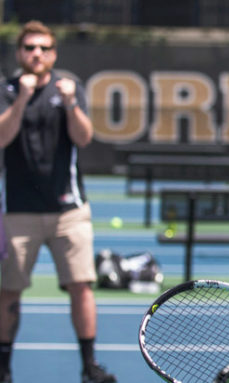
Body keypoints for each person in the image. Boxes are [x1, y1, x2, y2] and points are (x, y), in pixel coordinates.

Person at [0, 21, 116, 383]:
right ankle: (2, 368)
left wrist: (70, 105)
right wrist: (21, 98)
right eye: (30, 48)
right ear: (20, 53)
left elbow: (83, 138)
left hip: (69, 209)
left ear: (53, 53)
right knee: (7, 291)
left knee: (81, 285)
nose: (37, 54)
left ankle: (89, 366)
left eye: (44, 48)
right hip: (18, 209)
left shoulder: (70, 87)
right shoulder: (6, 89)